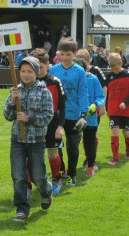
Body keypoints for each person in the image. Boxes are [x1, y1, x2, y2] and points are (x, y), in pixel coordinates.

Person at [3, 56, 53, 222]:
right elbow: (8, 116)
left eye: (29, 71)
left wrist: (29, 118)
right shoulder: (15, 91)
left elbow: (47, 117)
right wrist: (12, 102)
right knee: (18, 176)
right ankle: (22, 208)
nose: (25, 74)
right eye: (23, 71)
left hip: (36, 141)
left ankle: (46, 191)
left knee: (38, 176)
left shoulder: (44, 92)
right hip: (17, 140)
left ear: (36, 73)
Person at [49, 37, 88, 186]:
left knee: (73, 147)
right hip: (56, 115)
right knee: (56, 146)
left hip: (73, 114)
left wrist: (83, 114)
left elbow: (82, 93)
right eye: (63, 54)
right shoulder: (53, 70)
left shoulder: (79, 71)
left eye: (68, 54)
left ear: (75, 53)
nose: (65, 57)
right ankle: (60, 171)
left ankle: (72, 173)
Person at [30, 48, 66, 194]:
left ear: (48, 64)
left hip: (52, 124)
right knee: (32, 156)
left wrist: (60, 126)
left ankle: (57, 180)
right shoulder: (29, 82)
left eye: (41, 67)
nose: (38, 70)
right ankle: (32, 183)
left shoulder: (55, 82)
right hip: (33, 125)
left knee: (52, 154)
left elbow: (63, 106)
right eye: (35, 67)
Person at [75, 57, 104, 175]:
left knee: (89, 141)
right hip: (74, 115)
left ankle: (91, 165)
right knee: (73, 142)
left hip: (90, 116)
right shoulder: (71, 80)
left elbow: (100, 96)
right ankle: (71, 168)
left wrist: (95, 105)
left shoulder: (93, 79)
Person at [106, 53, 129, 165]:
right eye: (112, 68)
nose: (115, 70)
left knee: (126, 132)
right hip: (113, 109)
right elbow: (107, 94)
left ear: (121, 63)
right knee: (114, 131)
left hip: (126, 109)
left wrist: (126, 102)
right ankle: (115, 158)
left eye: (116, 68)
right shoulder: (109, 76)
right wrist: (107, 108)